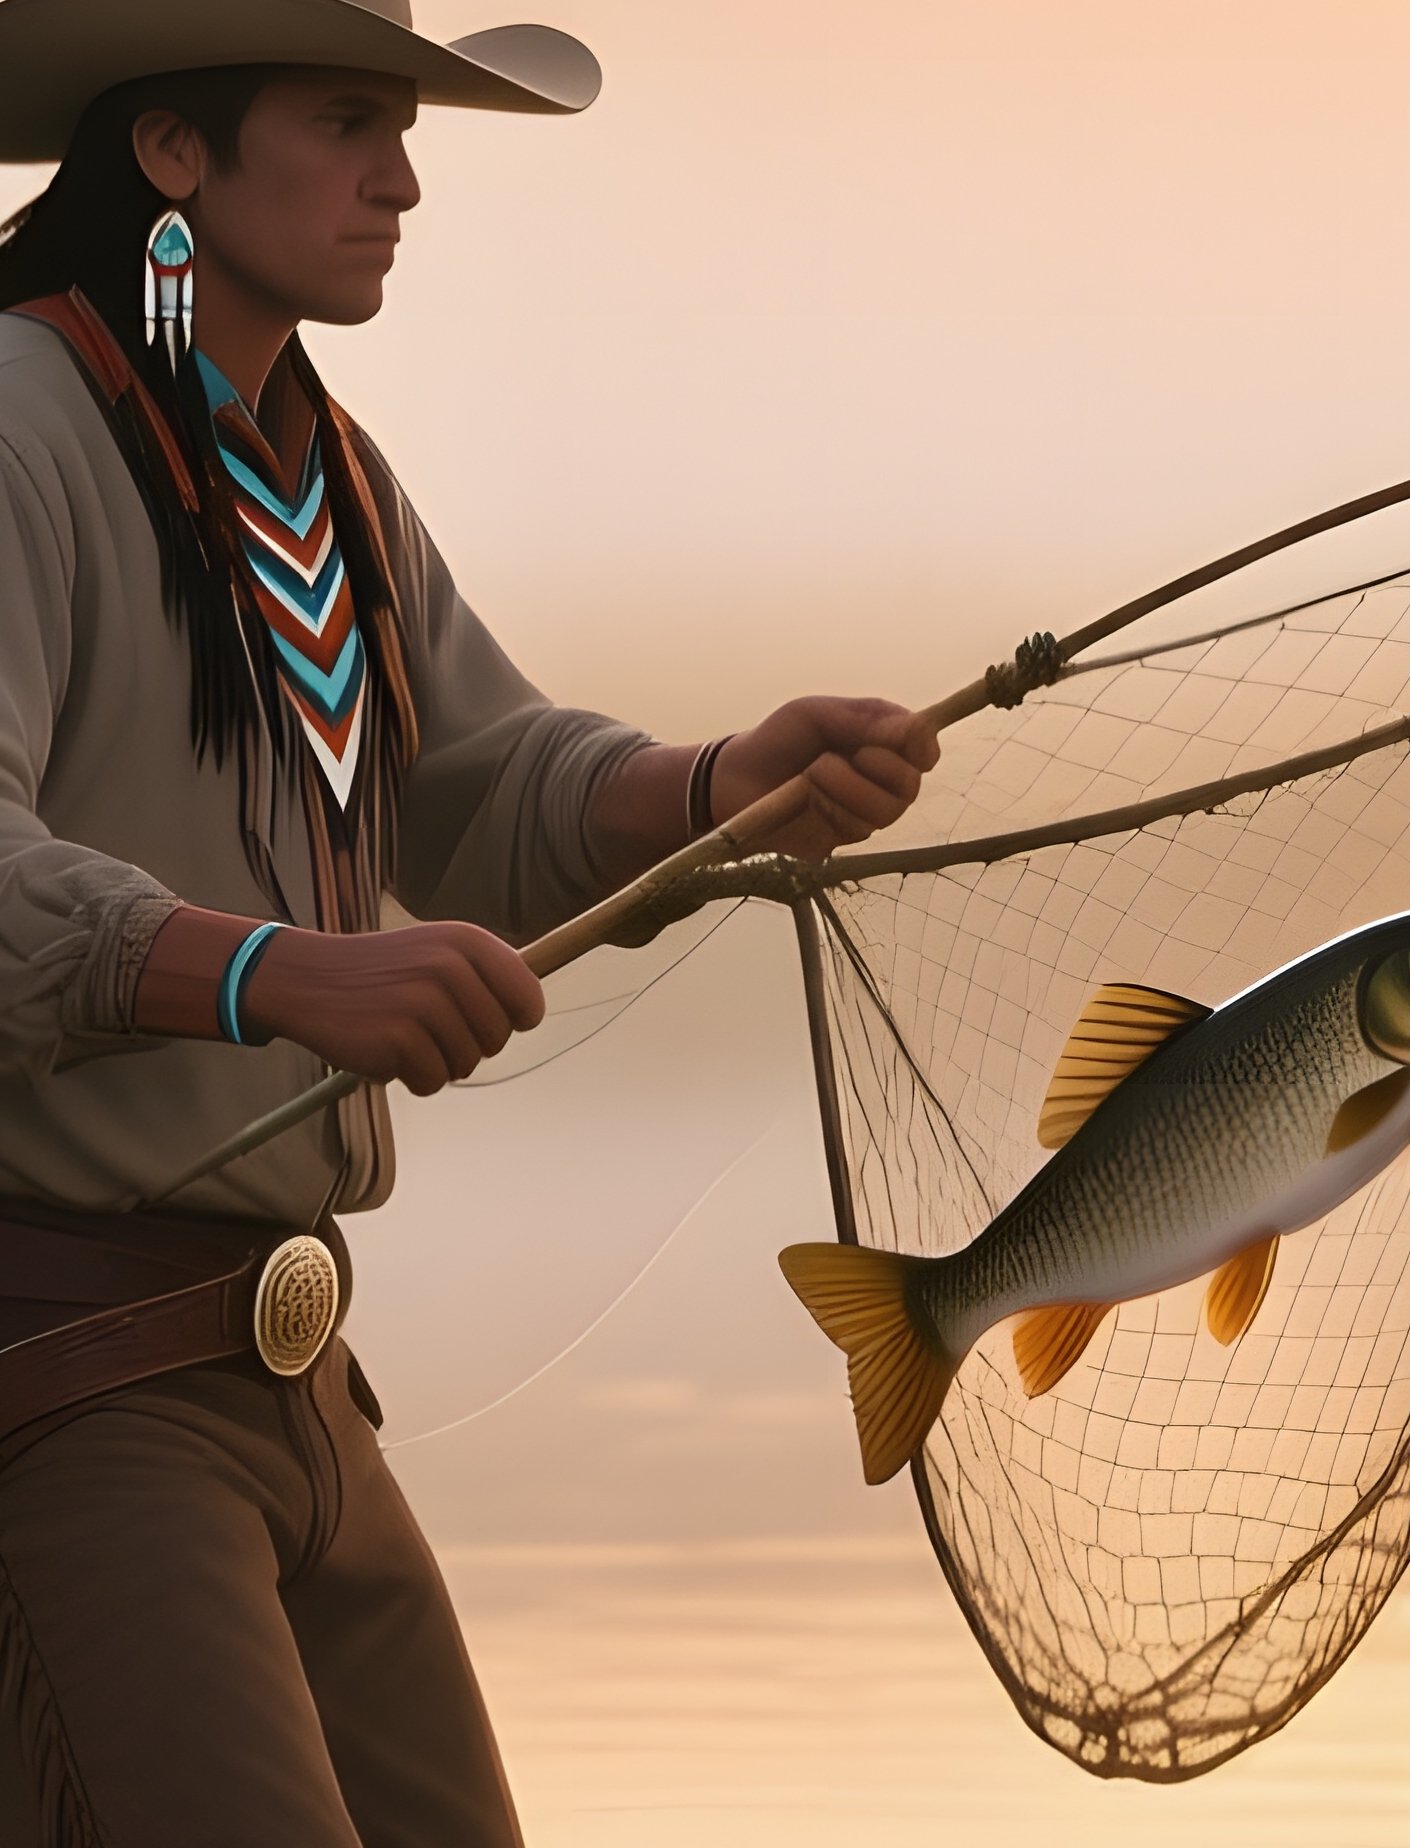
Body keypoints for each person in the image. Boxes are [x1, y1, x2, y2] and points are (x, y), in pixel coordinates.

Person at [0, 4, 939, 1841]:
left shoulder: (313, 466)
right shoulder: (18, 418)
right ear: (173, 156)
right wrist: (281, 971)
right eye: (350, 121)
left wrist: (720, 779)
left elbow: (489, 788)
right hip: (68, 1398)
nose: (405, 177)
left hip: (297, 1394)